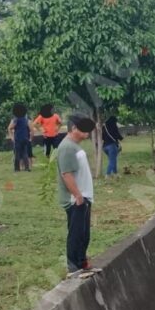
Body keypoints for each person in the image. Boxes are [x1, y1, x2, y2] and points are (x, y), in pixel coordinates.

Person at [56, 115, 101, 277]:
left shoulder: (74, 146)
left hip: (83, 197)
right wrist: (78, 196)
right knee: (76, 233)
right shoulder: (67, 147)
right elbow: (66, 174)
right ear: (74, 128)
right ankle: (73, 267)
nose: (88, 132)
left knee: (84, 233)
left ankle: (82, 263)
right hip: (76, 199)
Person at [8, 103, 32, 172]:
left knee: (17, 154)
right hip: (24, 138)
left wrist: (12, 137)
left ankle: (17, 168)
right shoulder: (25, 119)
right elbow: (30, 128)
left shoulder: (16, 119)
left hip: (18, 138)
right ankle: (27, 168)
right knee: (25, 153)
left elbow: (10, 128)